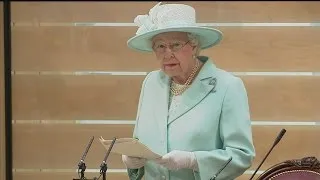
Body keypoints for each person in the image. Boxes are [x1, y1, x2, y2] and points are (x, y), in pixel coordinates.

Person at [121, 2, 255, 180]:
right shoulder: (151, 82)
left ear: (194, 45)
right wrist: (132, 162)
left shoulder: (228, 86)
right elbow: (139, 141)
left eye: (175, 45)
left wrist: (194, 161)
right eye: (160, 46)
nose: (167, 54)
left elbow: (241, 155)